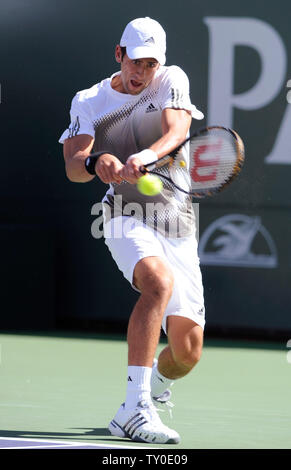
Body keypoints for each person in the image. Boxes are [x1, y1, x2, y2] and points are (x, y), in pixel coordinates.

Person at [59, 17, 205, 445]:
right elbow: (73, 165)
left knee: (187, 353)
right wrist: (93, 163)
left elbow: (178, 130)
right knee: (157, 283)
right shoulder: (89, 100)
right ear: (118, 55)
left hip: (177, 223)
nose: (142, 72)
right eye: (135, 62)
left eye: (150, 64)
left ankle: (155, 386)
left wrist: (145, 154)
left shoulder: (171, 80)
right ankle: (134, 409)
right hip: (123, 212)